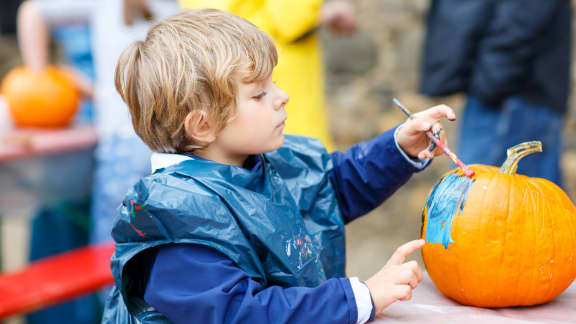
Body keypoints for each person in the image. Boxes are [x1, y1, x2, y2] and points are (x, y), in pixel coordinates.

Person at [102, 9, 457, 323]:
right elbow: (243, 313)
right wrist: (360, 298)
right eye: (258, 94)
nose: (281, 96)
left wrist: (397, 148)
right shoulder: (173, 223)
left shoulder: (266, 163)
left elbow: (331, 187)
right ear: (202, 125)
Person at [420, 0, 571, 187]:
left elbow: (522, 19)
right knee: (540, 208)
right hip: (508, 93)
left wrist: (491, 83)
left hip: (510, 100)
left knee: (470, 199)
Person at [178, 0, 357, 152]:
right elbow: (290, 19)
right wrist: (325, 11)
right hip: (271, 61)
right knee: (300, 159)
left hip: (214, 57)